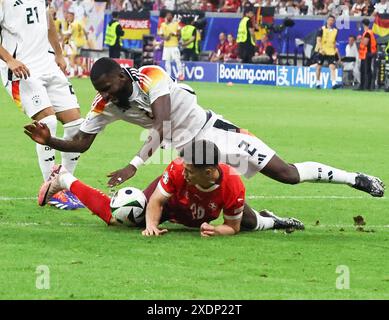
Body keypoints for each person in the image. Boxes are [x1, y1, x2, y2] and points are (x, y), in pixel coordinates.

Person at [24, 58, 385, 201]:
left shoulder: (151, 76)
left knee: (287, 174)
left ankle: (355, 178)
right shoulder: (104, 105)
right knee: (149, 207)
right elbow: (82, 143)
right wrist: (51, 139)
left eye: (108, 86)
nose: (103, 94)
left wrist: (133, 164)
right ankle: (268, 223)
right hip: (187, 155)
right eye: (99, 90)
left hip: (215, 133)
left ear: (121, 75)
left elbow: (163, 124)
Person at [38, 141, 305, 236]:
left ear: (210, 172)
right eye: (185, 167)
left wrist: (218, 231)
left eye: (191, 171)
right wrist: (151, 225)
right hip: (169, 204)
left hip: (202, 212)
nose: (184, 171)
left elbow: (231, 228)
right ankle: (64, 179)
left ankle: (275, 221)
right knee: (121, 216)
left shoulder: (233, 185)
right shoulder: (178, 168)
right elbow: (156, 200)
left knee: (246, 223)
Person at [0, 0, 84, 209]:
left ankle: (63, 186)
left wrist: (58, 53)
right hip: (21, 68)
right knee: (47, 121)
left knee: (76, 125)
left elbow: (48, 22)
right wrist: (9, 60)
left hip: (47, 64)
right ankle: (51, 188)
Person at [314, 15, 342, 89]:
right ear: (327, 20)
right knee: (319, 67)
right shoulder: (321, 29)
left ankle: (333, 83)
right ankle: (317, 82)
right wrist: (321, 49)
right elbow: (318, 40)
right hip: (322, 51)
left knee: (332, 67)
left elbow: (334, 42)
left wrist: (336, 51)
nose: (331, 22)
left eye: (332, 20)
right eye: (329, 20)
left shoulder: (335, 31)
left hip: (331, 51)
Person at [158, 11, 184, 80]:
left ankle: (180, 75)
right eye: (167, 15)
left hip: (174, 46)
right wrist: (166, 37)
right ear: (166, 17)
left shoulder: (176, 24)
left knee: (177, 60)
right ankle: (168, 76)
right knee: (167, 61)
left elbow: (179, 33)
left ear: (172, 17)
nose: (168, 17)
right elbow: (161, 35)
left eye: (170, 16)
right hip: (166, 46)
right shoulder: (163, 25)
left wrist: (175, 34)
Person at [357, 18, 377, 91]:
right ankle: (365, 86)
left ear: (363, 24)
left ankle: (367, 86)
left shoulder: (367, 33)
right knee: (365, 70)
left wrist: (360, 39)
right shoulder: (369, 32)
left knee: (366, 70)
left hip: (367, 54)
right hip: (367, 53)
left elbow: (365, 43)